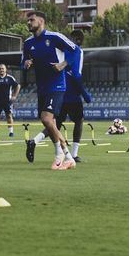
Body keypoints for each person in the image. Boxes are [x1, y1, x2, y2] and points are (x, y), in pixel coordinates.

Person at [22, 11, 77, 170]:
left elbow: (75, 50)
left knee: (46, 119)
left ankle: (64, 155)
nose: (29, 23)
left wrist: (63, 65)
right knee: (49, 122)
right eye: (28, 20)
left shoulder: (55, 37)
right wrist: (25, 64)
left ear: (41, 21)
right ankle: (62, 155)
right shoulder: (28, 43)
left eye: (31, 20)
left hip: (57, 85)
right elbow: (24, 61)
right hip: (42, 87)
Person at [29, 30, 91, 162]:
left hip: (54, 90)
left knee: (53, 124)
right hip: (70, 94)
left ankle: (35, 140)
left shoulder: (58, 49)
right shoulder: (77, 51)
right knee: (79, 121)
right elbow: (76, 75)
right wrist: (85, 94)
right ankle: (73, 154)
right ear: (79, 40)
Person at [0, 64, 20, 138]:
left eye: (2, 68)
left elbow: (18, 86)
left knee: (9, 116)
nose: (1, 70)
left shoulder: (10, 78)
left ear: (5, 70)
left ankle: (11, 132)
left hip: (7, 101)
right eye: (0, 69)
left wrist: (14, 96)